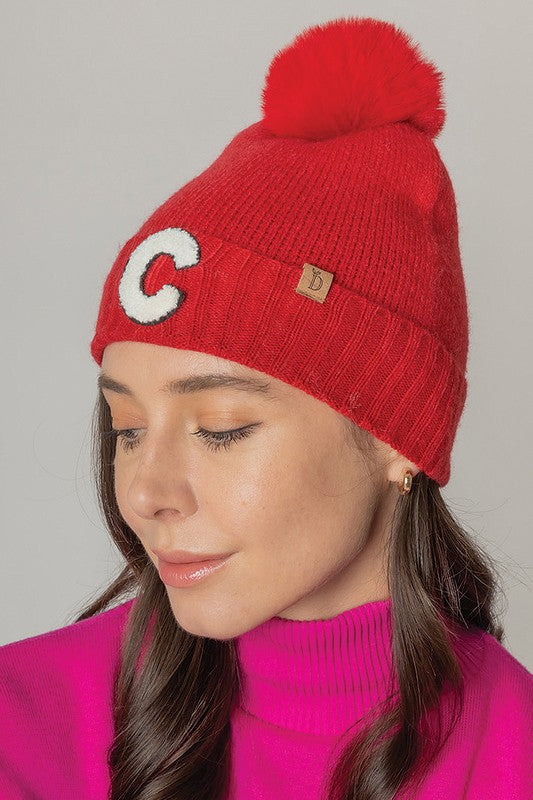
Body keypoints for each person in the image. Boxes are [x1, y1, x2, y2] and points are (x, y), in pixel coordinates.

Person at [0, 15, 531, 800]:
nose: (145, 493)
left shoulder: (513, 752)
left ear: (397, 436)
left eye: (220, 429)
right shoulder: (21, 722)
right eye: (127, 429)